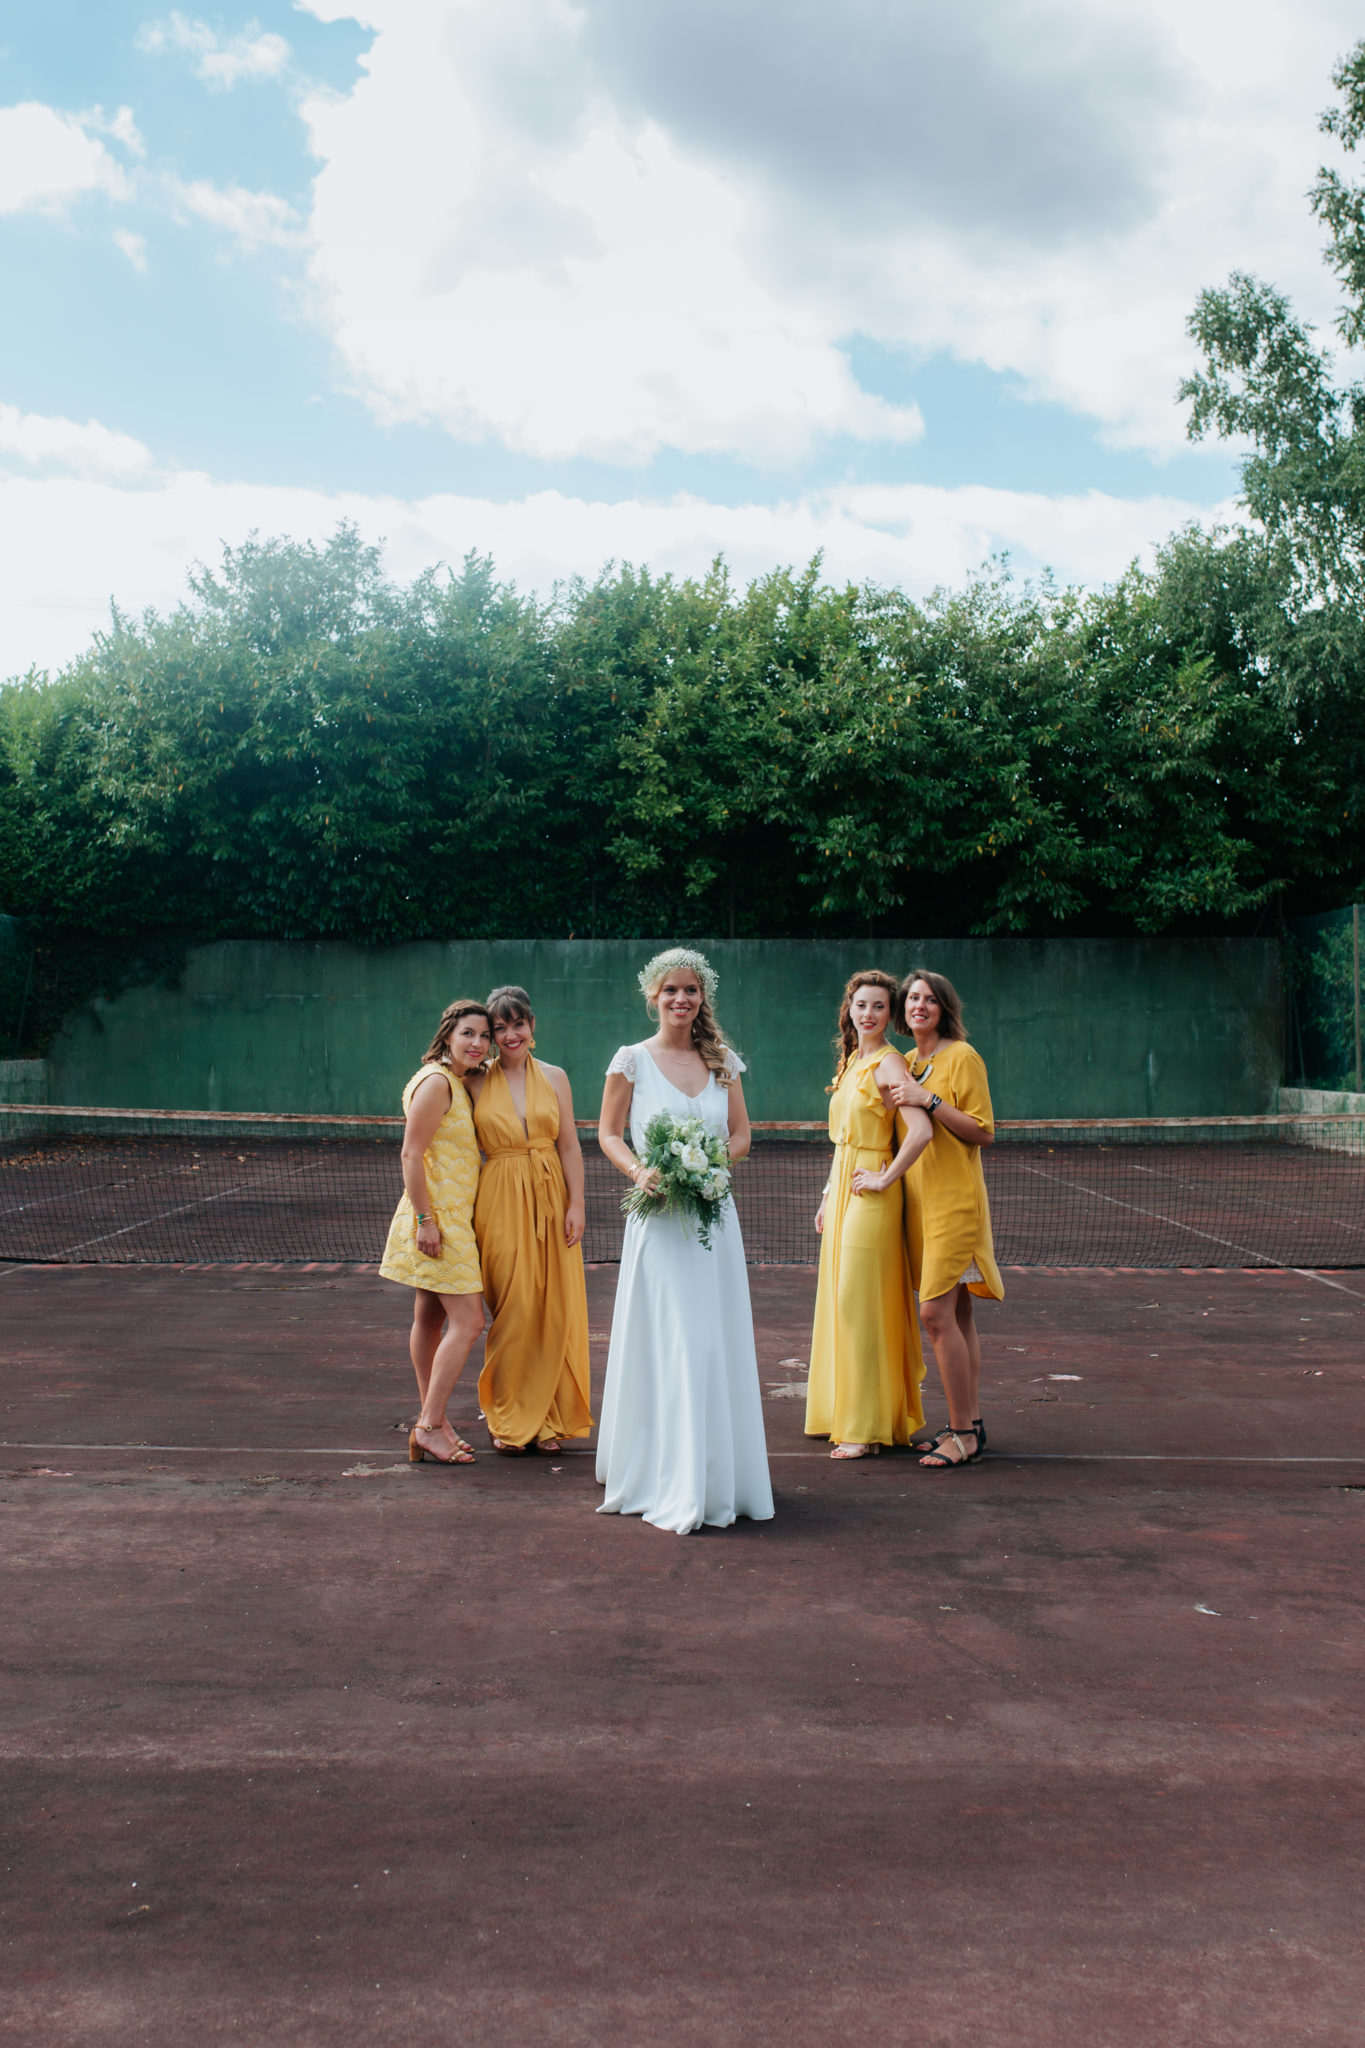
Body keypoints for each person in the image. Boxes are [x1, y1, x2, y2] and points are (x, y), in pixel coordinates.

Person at [595, 947, 774, 1535]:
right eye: (670, 990)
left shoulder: (724, 1061)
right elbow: (608, 1134)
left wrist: (710, 1163)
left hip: (713, 1220)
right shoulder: (630, 1060)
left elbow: (742, 1134)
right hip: (658, 1221)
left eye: (690, 991)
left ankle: (717, 1473)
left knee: (711, 1337)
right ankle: (661, 1473)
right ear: (653, 997)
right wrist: (643, 1171)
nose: (680, 999)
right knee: (670, 1336)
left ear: (703, 998)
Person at [805, 971, 933, 1459]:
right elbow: (844, 1143)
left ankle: (864, 1427)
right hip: (843, 1191)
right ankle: (841, 1411)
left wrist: (884, 1178)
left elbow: (919, 1130)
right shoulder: (851, 1062)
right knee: (839, 1303)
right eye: (861, 1005)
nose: (869, 1014)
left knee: (859, 1305)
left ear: (889, 1013)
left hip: (871, 1197)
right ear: (850, 1009)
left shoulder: (888, 1064)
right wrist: (827, 1194)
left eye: (879, 1006)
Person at [467, 984, 593, 1455]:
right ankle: (507, 1416)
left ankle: (548, 1419)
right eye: (500, 1028)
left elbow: (569, 1147)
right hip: (498, 1199)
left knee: (553, 1308)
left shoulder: (556, 1077)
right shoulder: (474, 1081)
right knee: (514, 1310)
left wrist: (576, 1204)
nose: (510, 1034)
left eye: (517, 1024)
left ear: (532, 1025)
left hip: (551, 1196)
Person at [887, 968, 1004, 1470]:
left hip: (955, 1205)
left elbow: (983, 1132)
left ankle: (960, 1434)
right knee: (957, 1317)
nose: (919, 1005)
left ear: (944, 1008)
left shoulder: (962, 1057)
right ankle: (970, 1424)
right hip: (920, 1205)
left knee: (934, 1315)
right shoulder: (907, 1061)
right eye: (912, 998)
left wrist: (928, 1100)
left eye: (930, 999)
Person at [379, 999, 492, 1466]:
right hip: (437, 1224)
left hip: (451, 1220)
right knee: (469, 1322)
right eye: (468, 1033)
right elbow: (410, 1155)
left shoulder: (458, 1084)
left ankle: (435, 1420)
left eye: (484, 1036)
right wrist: (427, 1222)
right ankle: (428, 1426)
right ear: (448, 1034)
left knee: (428, 1317)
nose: (478, 1043)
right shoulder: (436, 1083)